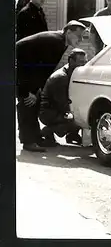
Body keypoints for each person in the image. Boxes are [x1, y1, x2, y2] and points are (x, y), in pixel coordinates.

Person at [16, 20, 86, 152]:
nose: (81, 40)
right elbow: (33, 65)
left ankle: (36, 138)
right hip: (19, 66)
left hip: (26, 68)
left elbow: (45, 69)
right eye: (79, 36)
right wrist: (27, 90)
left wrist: (37, 89)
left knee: (34, 102)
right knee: (27, 103)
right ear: (68, 32)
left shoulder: (61, 42)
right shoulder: (55, 42)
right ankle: (28, 141)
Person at [39, 48, 87, 146]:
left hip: (55, 109)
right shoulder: (61, 78)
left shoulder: (71, 73)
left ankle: (72, 135)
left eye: (85, 62)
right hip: (48, 112)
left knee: (79, 115)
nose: (84, 65)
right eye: (81, 62)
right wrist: (77, 115)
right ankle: (48, 131)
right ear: (71, 61)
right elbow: (62, 103)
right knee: (78, 119)